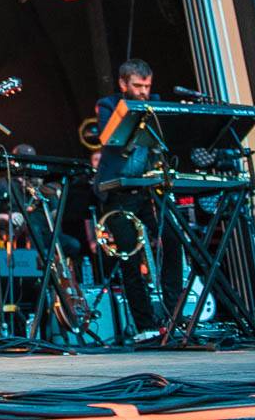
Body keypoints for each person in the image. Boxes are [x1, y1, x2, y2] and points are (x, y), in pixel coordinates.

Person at [93, 58, 183, 341]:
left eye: (147, 86)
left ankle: (174, 316)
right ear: (123, 84)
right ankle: (145, 327)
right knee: (129, 257)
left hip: (148, 190)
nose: (144, 92)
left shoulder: (155, 103)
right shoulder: (108, 105)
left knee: (173, 238)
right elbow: (109, 139)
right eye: (138, 86)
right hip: (118, 189)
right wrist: (132, 114)